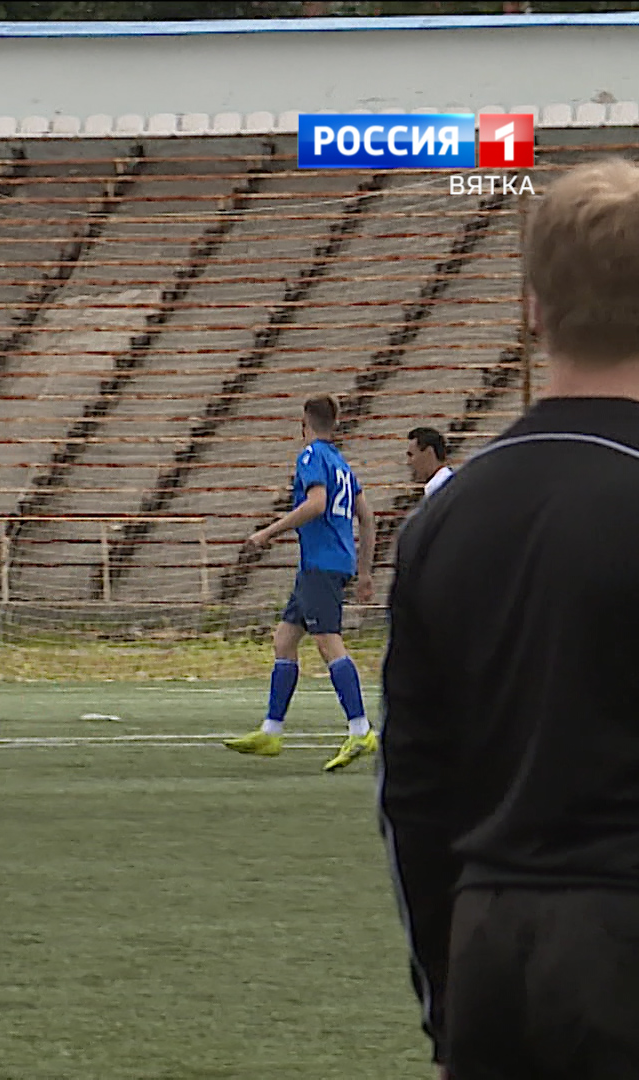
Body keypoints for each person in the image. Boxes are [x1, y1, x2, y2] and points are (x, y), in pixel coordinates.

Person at [380, 158, 639, 1080]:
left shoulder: (445, 517)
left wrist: (448, 995)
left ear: (531, 305)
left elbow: (411, 790)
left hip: (494, 943)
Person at [226, 394, 377, 772]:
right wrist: (365, 571)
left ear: (303, 423)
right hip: (327, 563)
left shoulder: (312, 456)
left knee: (328, 642)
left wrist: (268, 532)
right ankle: (271, 731)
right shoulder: (342, 463)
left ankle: (361, 729)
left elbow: (316, 504)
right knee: (285, 639)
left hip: (321, 565)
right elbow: (368, 517)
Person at [405, 426, 454, 500]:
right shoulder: (447, 483)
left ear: (429, 453)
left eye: (411, 455)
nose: (408, 462)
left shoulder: (442, 488)